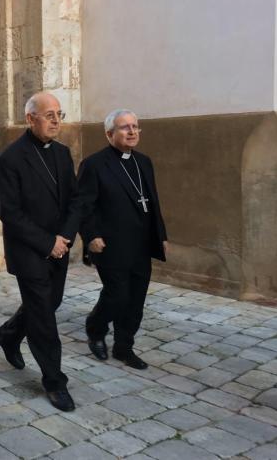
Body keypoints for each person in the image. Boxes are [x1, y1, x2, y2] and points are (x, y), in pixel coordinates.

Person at [0, 92, 81, 412]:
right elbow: (11, 213)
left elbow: (74, 200)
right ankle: (54, 381)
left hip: (60, 244)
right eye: (49, 115)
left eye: (60, 114)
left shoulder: (62, 153)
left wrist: (65, 236)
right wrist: (48, 242)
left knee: (49, 302)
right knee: (43, 314)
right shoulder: (11, 159)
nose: (57, 120)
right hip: (30, 249)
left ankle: (8, 334)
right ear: (31, 119)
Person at [78, 109, 168, 370]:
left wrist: (160, 235)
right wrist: (91, 235)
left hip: (141, 244)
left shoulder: (144, 162)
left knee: (136, 298)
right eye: (124, 127)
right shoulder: (94, 164)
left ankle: (123, 347)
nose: (132, 131)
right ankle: (95, 327)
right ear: (109, 134)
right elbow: (84, 205)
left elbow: (152, 202)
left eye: (135, 126)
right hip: (110, 244)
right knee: (117, 294)